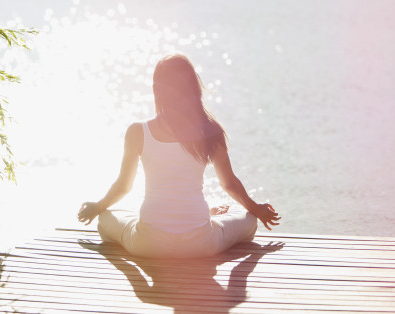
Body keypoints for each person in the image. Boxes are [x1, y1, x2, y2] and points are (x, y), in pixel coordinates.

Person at [78, 54, 280, 258]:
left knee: (105, 217)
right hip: (200, 244)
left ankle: (202, 216)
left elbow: (124, 187)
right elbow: (229, 184)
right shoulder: (211, 131)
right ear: (194, 88)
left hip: (149, 244)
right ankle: (206, 216)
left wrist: (97, 207)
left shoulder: (138, 132)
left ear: (157, 90)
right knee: (248, 218)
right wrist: (257, 209)